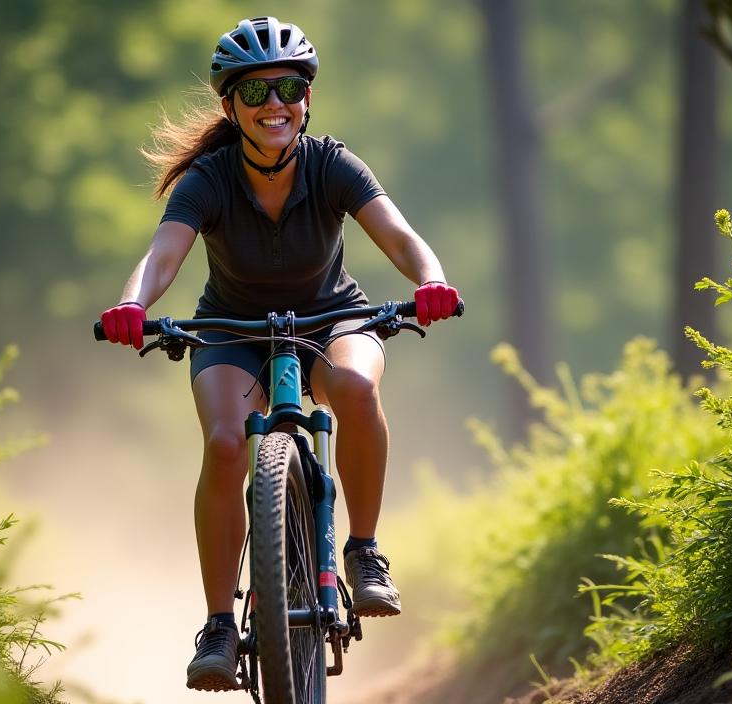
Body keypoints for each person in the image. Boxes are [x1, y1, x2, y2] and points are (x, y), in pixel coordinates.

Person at [99, 16, 461, 692]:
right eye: (255, 91)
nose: (275, 104)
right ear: (229, 107)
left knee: (356, 389)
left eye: (289, 88)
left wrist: (431, 281)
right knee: (225, 443)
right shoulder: (207, 180)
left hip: (332, 319)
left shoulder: (332, 165)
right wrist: (132, 304)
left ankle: (364, 551)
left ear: (307, 98)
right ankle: (218, 625)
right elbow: (162, 256)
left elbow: (400, 235)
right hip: (231, 331)